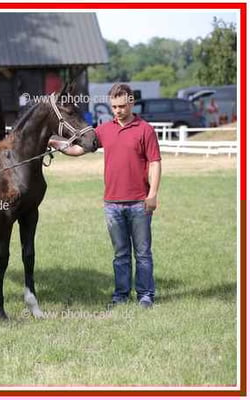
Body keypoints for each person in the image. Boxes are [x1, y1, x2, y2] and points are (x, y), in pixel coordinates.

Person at [50, 83, 162, 308]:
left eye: (122, 106)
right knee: (120, 254)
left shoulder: (145, 130)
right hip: (112, 204)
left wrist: (152, 194)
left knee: (142, 253)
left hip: (139, 202)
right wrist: (56, 144)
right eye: (114, 107)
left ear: (131, 102)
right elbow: (78, 150)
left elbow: (155, 163)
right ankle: (121, 295)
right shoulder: (103, 130)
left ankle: (145, 295)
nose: (118, 111)